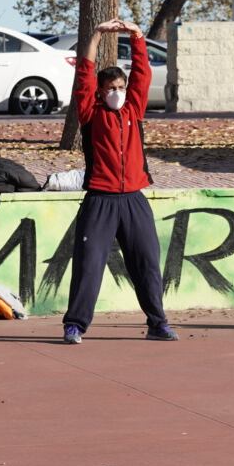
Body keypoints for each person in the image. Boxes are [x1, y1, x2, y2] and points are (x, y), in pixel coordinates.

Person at [61, 18, 176, 344]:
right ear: (100, 91)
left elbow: (143, 72)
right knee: (89, 266)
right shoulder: (90, 112)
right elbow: (83, 73)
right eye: (111, 88)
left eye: (121, 88)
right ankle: (75, 325)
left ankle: (157, 323)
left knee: (147, 264)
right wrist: (96, 35)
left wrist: (137, 35)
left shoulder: (133, 109)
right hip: (100, 200)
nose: (117, 93)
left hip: (134, 200)